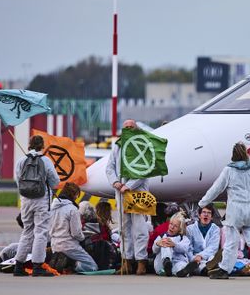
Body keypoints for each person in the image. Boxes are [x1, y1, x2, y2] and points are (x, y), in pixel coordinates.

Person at [199, 142, 250, 280]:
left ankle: (225, 269)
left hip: (236, 210)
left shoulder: (229, 170)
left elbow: (216, 188)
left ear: (233, 155)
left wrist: (203, 202)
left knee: (231, 241)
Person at [106, 119, 150, 275]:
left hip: (137, 193)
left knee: (140, 228)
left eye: (131, 127)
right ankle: (127, 260)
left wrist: (129, 186)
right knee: (124, 229)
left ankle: (141, 261)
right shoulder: (117, 147)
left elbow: (144, 170)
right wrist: (116, 182)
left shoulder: (142, 146)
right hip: (121, 192)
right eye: (126, 127)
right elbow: (109, 167)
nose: (129, 129)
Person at [13, 135, 60, 277]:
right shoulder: (45, 161)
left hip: (26, 200)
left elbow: (18, 181)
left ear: (29, 144)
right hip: (41, 200)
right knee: (41, 231)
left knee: (27, 231)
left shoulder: (21, 161)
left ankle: (19, 265)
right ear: (42, 146)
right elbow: (55, 182)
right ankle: (38, 265)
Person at [48, 182, 98, 273]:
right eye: (76, 195)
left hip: (54, 244)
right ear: (73, 194)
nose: (76, 197)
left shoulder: (52, 207)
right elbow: (76, 233)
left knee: (72, 255)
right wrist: (83, 238)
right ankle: (72, 265)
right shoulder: (72, 209)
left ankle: (65, 263)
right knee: (92, 266)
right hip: (69, 245)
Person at [153, 213, 194, 277]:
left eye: (175, 226)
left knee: (181, 265)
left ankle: (183, 271)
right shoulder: (161, 236)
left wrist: (175, 245)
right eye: (171, 224)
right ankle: (166, 262)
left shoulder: (183, 238)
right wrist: (157, 244)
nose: (172, 227)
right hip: (161, 264)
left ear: (179, 229)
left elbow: (184, 248)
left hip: (176, 262)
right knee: (165, 242)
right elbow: (154, 250)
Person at [185, 204, 221, 276]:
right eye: (204, 212)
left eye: (209, 213)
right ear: (199, 215)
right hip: (195, 258)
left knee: (212, 258)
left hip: (209, 257)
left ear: (211, 217)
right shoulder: (190, 229)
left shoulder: (216, 229)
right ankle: (207, 269)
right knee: (196, 265)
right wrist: (194, 258)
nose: (206, 215)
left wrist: (201, 256)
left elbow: (213, 247)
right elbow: (188, 247)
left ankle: (210, 268)